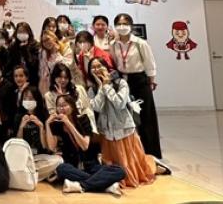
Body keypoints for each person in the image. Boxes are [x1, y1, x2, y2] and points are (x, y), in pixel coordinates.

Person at [88, 57, 155, 188]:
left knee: (130, 162)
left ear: (107, 67)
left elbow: (119, 103)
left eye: (99, 66)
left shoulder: (121, 83)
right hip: (107, 132)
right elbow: (97, 107)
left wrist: (107, 86)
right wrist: (102, 87)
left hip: (124, 129)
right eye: (93, 68)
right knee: (112, 163)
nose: (96, 70)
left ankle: (152, 166)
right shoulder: (92, 89)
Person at [47, 95, 125, 195]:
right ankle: (104, 185)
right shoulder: (57, 125)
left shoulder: (83, 120)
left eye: (65, 105)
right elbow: (51, 147)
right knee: (61, 168)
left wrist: (69, 124)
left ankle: (81, 185)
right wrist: (47, 124)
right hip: (73, 166)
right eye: (59, 106)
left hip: (90, 165)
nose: (62, 108)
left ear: (72, 106)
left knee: (120, 171)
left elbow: (84, 146)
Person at [109, 13, 162, 159]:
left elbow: (150, 63)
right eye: (119, 24)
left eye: (125, 24)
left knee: (146, 115)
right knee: (126, 116)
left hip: (139, 80)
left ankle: (151, 153)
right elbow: (114, 62)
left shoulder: (140, 43)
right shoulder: (113, 44)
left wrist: (151, 80)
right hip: (122, 80)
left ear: (131, 26)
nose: (122, 27)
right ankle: (131, 152)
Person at [14, 85, 63, 181]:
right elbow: (18, 144)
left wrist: (41, 127)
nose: (28, 101)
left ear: (37, 100)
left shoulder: (44, 116)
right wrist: (21, 127)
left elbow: (45, 146)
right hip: (24, 156)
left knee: (58, 160)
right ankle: (42, 174)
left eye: (31, 98)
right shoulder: (18, 116)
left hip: (39, 157)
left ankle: (28, 174)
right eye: (25, 98)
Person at [43, 63, 95, 132]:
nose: (63, 80)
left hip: (84, 126)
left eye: (66, 77)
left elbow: (88, 109)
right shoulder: (49, 95)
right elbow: (55, 117)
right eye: (60, 77)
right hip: (65, 130)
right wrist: (61, 97)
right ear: (54, 77)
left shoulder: (79, 89)